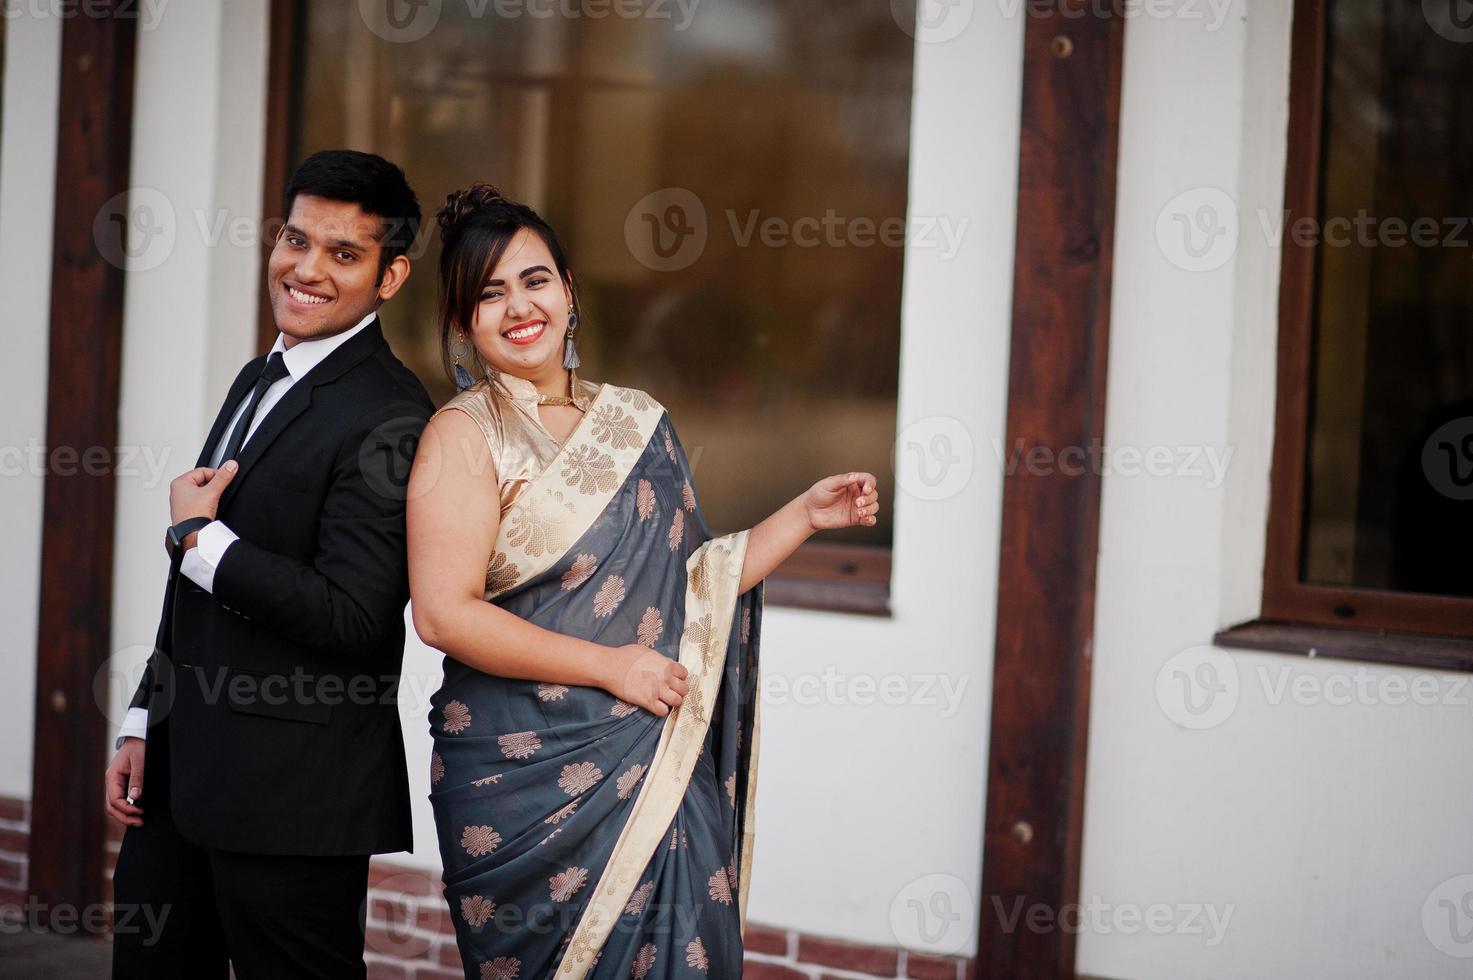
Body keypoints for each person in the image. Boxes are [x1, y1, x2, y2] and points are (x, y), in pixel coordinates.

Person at [407, 184, 881, 978]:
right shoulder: (461, 437)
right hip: (524, 785)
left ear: (569, 293)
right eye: (488, 294)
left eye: (534, 280)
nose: (518, 306)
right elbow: (444, 616)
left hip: (653, 756)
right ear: (463, 323)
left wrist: (800, 516)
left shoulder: (636, 420)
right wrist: (612, 667)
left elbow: (697, 586)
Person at [105, 149, 435, 979]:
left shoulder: (393, 413)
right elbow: (198, 563)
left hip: (296, 800)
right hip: (181, 775)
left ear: (390, 277)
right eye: (296, 240)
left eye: (344, 254)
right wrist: (149, 714)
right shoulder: (262, 373)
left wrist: (200, 540)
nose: (306, 269)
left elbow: (354, 616)